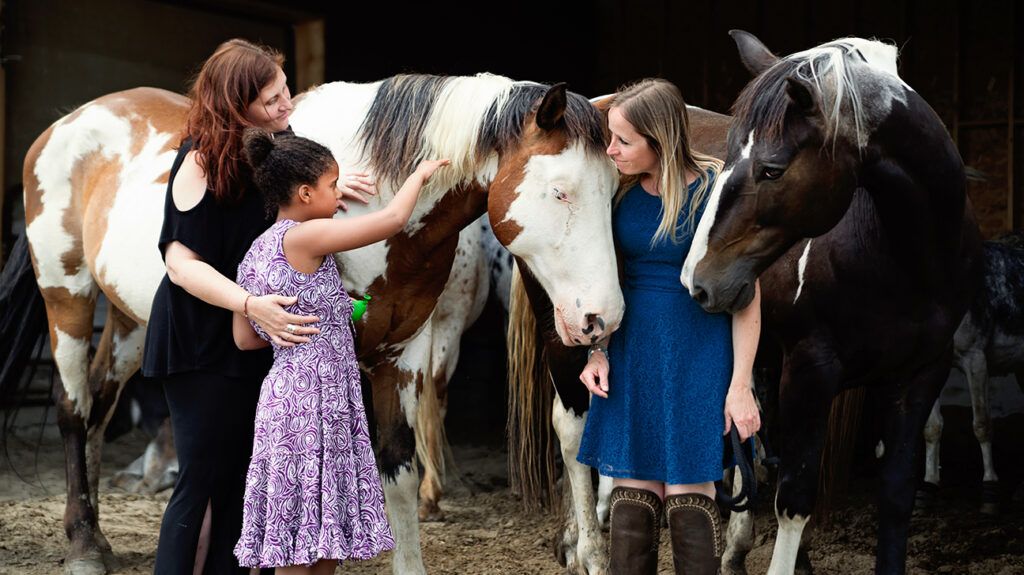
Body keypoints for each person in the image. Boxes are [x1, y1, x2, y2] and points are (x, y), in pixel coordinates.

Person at [141, 39, 374, 574]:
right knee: (201, 479)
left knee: (250, 479)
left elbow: (300, 204)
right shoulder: (200, 161)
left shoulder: (279, 142)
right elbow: (181, 264)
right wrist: (250, 303)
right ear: (233, 103)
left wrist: (335, 188)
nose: (285, 105)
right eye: (271, 99)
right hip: (202, 337)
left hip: (260, 339)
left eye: (285, 89)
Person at [231, 128, 449, 573]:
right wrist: (420, 175)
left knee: (316, 526)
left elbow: (246, 339)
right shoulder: (304, 237)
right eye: (333, 186)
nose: (338, 194)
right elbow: (390, 222)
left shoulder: (253, 253)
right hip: (317, 399)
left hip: (287, 396)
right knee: (308, 539)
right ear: (306, 193)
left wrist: (330, 314)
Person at [575, 78, 762, 575]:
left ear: (660, 140)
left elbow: (747, 297)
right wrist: (598, 352)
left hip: (699, 354)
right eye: (610, 137)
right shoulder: (615, 194)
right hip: (633, 352)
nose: (610, 149)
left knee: (687, 493)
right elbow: (606, 282)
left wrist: (741, 384)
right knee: (632, 491)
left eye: (623, 140)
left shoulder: (717, 191)